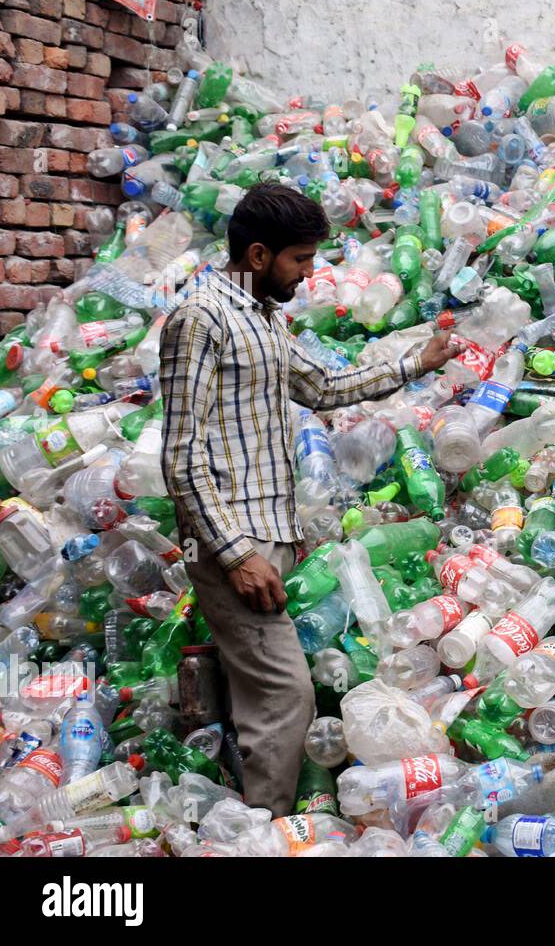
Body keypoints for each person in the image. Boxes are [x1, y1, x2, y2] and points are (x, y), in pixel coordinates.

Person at [158, 181, 458, 816]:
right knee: (285, 698)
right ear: (260, 255)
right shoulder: (201, 320)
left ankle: (243, 813)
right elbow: (181, 455)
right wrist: (238, 556)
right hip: (232, 542)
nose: (309, 273)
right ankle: (264, 830)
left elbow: (321, 386)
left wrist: (413, 364)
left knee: (260, 692)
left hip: (269, 534)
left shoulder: (261, 318)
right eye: (300, 260)